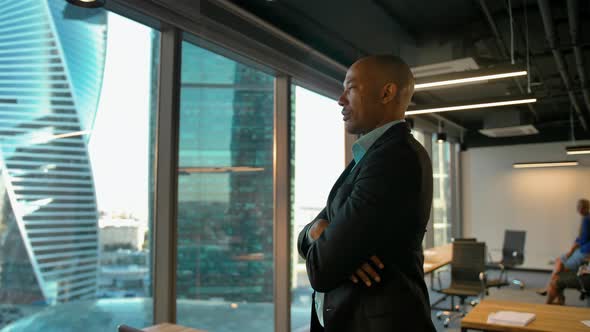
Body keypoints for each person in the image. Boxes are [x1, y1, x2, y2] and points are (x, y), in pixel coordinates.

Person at [297, 55, 435, 332]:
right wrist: (320, 231)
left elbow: (322, 269)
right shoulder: (370, 157)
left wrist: (332, 245)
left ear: (386, 93)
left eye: (351, 88)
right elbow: (307, 239)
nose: (340, 99)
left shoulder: (394, 158)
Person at [539, 198, 590, 303]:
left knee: (559, 266)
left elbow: (582, 239)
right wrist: (571, 251)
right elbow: (580, 238)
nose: (578, 209)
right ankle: (556, 294)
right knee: (559, 261)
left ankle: (552, 290)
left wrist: (571, 251)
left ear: (585, 208)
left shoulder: (587, 219)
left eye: (580, 207)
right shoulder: (586, 218)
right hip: (582, 251)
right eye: (578, 207)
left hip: (585, 253)